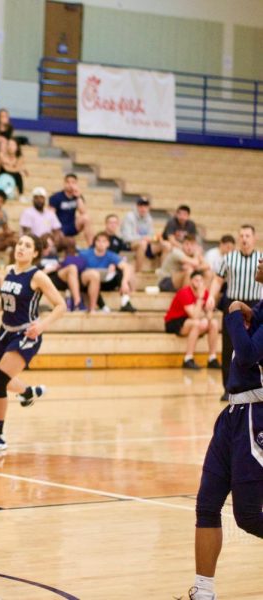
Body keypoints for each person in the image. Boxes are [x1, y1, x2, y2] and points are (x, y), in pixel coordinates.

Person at [189, 256, 263, 600]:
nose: (260, 259)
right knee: (206, 504)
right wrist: (248, 313)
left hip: (255, 417)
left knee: (248, 516)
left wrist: (234, 312)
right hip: (232, 415)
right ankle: (203, 592)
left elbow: (248, 354)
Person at [0, 234, 66, 451]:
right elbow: (7, 301)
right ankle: (28, 393)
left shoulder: (38, 277)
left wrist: (41, 326)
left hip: (26, 334)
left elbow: (61, 305)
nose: (21, 248)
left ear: (35, 253)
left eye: (27, 246)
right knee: (5, 378)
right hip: (5, 332)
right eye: (19, 244)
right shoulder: (8, 270)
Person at [206, 225, 263, 402]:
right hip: (234, 305)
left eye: (247, 235)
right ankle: (228, 387)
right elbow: (217, 279)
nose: (244, 239)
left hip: (255, 304)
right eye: (241, 236)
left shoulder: (261, 258)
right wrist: (211, 297)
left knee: (253, 351)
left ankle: (253, 387)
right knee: (229, 348)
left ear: (254, 238)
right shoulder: (229, 258)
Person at [164, 271, 220, 370]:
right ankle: (188, 359)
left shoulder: (205, 292)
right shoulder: (184, 292)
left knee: (214, 323)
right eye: (196, 280)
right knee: (197, 323)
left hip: (191, 320)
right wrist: (200, 298)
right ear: (190, 281)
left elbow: (210, 314)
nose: (198, 283)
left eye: (201, 280)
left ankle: (212, 358)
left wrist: (207, 318)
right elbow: (194, 315)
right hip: (174, 321)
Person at [78, 232, 137, 313]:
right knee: (93, 279)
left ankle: (125, 301)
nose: (101, 244)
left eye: (104, 241)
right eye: (98, 241)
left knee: (121, 272)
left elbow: (126, 267)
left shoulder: (111, 255)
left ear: (108, 244)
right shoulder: (85, 254)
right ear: (95, 242)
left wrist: (124, 282)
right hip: (89, 283)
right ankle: (103, 306)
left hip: (105, 282)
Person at [121, 197, 164, 272]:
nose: (143, 209)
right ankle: (138, 272)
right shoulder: (129, 217)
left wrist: (155, 238)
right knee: (143, 243)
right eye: (141, 206)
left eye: (145, 206)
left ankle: (163, 273)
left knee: (165, 245)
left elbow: (150, 235)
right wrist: (143, 238)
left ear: (148, 208)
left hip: (145, 243)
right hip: (129, 244)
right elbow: (126, 237)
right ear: (137, 206)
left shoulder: (149, 218)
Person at [40, 237, 84, 312]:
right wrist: (49, 269)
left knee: (73, 268)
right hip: (44, 278)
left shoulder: (55, 255)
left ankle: (77, 302)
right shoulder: (37, 257)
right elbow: (33, 274)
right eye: (47, 245)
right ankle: (77, 302)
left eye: (51, 245)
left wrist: (59, 265)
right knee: (72, 268)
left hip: (58, 277)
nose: (50, 248)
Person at [49, 173, 93, 246]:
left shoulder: (77, 196)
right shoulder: (56, 197)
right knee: (64, 240)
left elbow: (83, 212)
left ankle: (91, 246)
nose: (70, 185)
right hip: (59, 226)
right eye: (68, 182)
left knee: (86, 218)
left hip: (72, 225)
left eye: (73, 182)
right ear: (64, 183)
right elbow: (50, 216)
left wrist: (78, 197)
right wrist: (56, 230)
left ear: (76, 184)